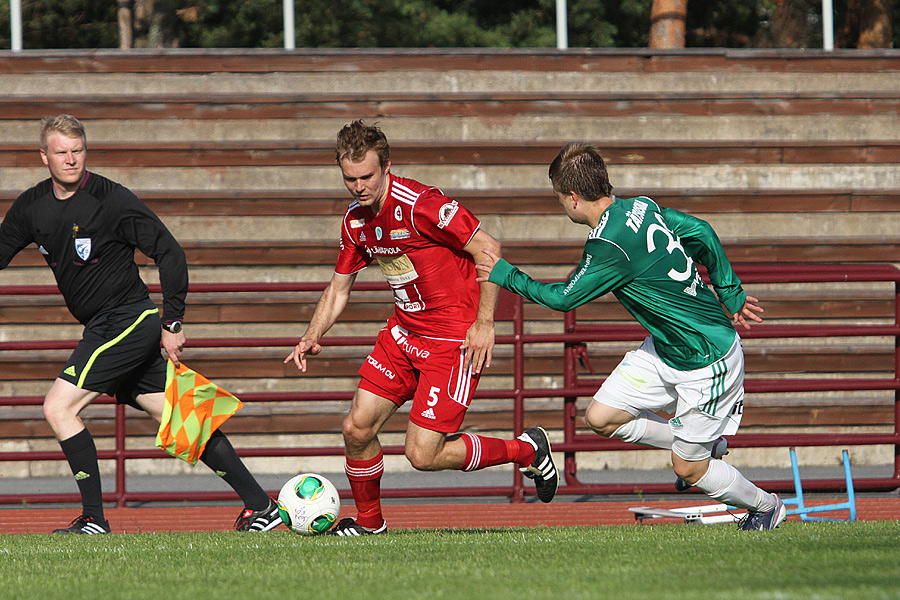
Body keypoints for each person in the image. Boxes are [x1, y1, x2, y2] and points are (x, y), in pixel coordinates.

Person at [476, 143, 786, 531]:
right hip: (666, 349)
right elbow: (701, 231)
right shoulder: (641, 205)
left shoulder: (609, 244)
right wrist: (730, 291)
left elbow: (564, 298)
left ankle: (765, 506)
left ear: (573, 198)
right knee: (601, 417)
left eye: (559, 198)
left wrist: (506, 275)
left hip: (708, 359)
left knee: (689, 470)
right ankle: (704, 445)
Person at [0, 115, 281, 534]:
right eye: (61, 152)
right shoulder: (32, 206)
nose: (71, 159)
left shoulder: (110, 199)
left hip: (126, 320)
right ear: (44, 157)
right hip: (106, 324)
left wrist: (173, 320)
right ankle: (261, 506)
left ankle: (94, 519)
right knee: (183, 417)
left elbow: (169, 252)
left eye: (78, 150)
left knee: (58, 407)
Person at [285, 120, 558, 535]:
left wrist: (485, 323)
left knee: (422, 454)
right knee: (356, 428)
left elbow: (490, 249)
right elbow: (339, 288)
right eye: (350, 179)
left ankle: (526, 449)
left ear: (388, 166)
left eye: (367, 177)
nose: (359, 187)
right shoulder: (355, 221)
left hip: (453, 340)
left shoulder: (420, 204)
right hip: (403, 334)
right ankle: (370, 524)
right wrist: (312, 334)